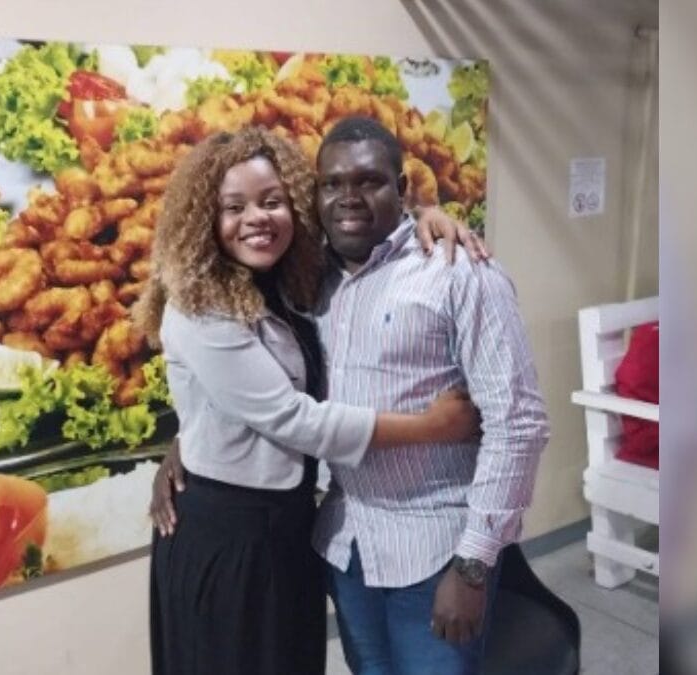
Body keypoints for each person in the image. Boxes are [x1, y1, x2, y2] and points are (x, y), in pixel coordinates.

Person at [153, 117, 550, 674]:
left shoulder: (457, 273)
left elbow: (520, 424)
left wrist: (474, 565)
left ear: (402, 188)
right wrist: (187, 441)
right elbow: (277, 406)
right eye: (332, 184)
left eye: (369, 181)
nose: (348, 198)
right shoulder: (308, 281)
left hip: (433, 550)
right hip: (343, 544)